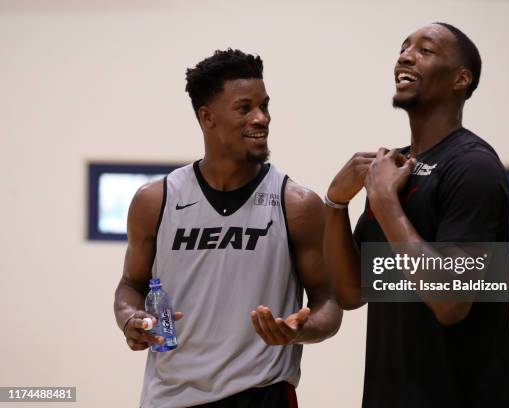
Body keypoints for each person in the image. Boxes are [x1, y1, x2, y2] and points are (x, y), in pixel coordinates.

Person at [114, 49, 342, 408]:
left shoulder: (296, 204)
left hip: (262, 395)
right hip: (168, 397)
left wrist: (302, 329)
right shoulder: (154, 201)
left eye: (265, 106)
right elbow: (130, 285)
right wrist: (131, 319)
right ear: (208, 117)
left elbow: (328, 301)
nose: (261, 118)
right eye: (245, 108)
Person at [323, 23, 509, 407]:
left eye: (425, 50)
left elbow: (450, 303)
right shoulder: (392, 168)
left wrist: (385, 203)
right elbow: (350, 293)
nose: (405, 56)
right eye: (404, 47)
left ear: (461, 79)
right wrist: (335, 204)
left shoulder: (473, 167)